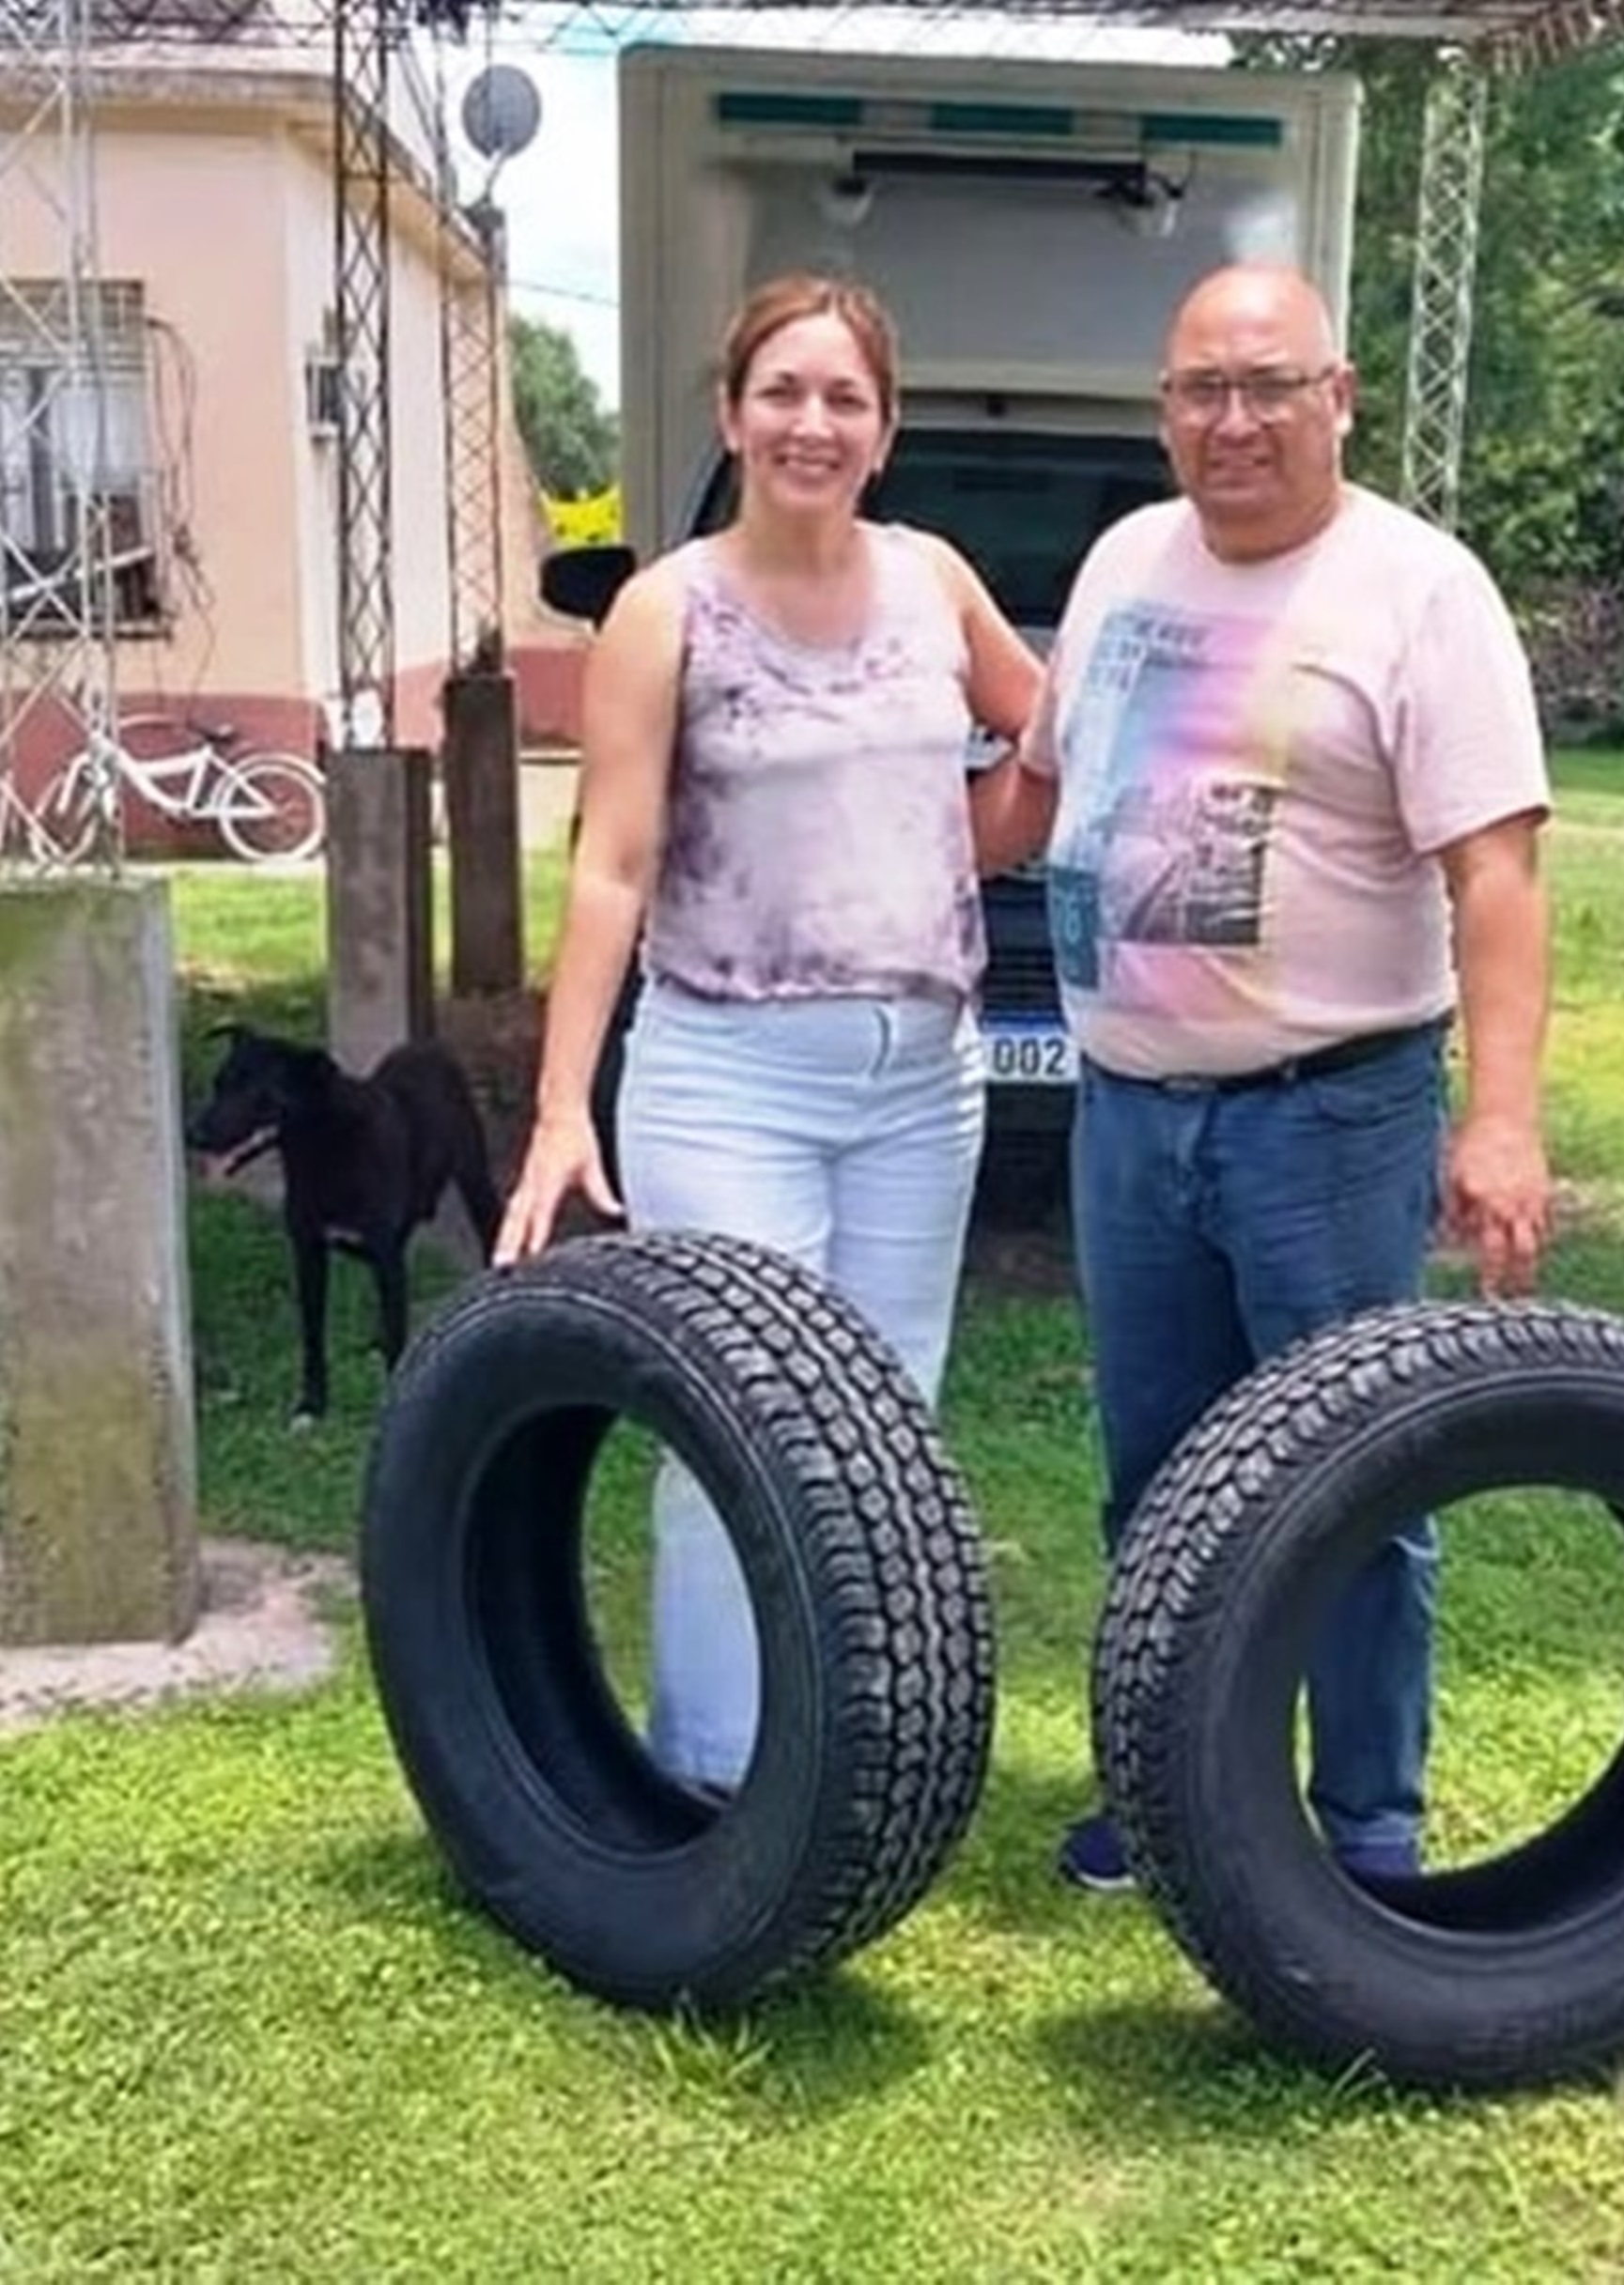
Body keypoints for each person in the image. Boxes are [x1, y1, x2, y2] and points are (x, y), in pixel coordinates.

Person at [976, 262, 1554, 1898]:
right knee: (1154, 1474)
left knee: (1352, 1479)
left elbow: (1496, 875)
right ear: (1164, 408)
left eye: (1266, 388)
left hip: (1330, 1112)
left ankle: (1364, 1828)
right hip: (1130, 1111)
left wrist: (1499, 1116)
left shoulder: (1418, 590)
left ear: (1337, 397)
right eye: (1199, 392)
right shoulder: (1115, 565)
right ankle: (1169, 1799)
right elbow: (1031, 794)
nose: (1230, 423)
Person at [497, 272, 1043, 1794]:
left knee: (882, 1425)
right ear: (733, 413)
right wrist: (561, 1106)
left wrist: (1011, 814)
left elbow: (1042, 741)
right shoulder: (667, 609)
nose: (813, 422)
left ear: (885, 430)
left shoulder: (934, 578)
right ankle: (722, 1787)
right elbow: (610, 863)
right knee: (734, 1431)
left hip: (923, 1080)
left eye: (844, 398)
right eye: (783, 392)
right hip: (728, 1073)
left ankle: (848, 1766)